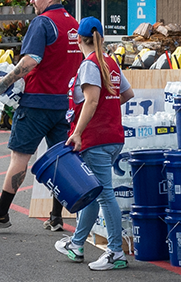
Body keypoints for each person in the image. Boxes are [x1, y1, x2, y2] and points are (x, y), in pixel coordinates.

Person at [0, 0, 84, 229]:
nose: (31, 1)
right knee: (60, 159)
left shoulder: (42, 22)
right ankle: (56, 217)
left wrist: (4, 82)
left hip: (36, 103)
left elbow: (31, 60)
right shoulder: (73, 24)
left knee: (19, 157)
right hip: (64, 104)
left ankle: (1, 212)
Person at [55, 17, 135, 269]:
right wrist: (106, 109)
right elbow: (127, 93)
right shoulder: (110, 63)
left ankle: (115, 252)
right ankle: (77, 243)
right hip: (113, 137)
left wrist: (78, 132)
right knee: (92, 193)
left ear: (79, 39)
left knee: (104, 194)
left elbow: (90, 101)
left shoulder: (90, 65)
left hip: (95, 139)